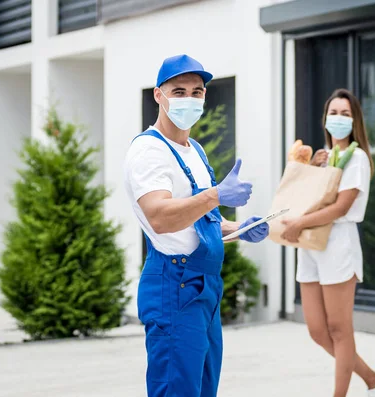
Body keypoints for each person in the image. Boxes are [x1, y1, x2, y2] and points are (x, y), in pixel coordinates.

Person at [123, 54, 269, 397]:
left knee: (203, 388)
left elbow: (198, 220)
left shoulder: (194, 150)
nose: (189, 99)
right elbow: (159, 216)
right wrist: (217, 195)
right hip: (174, 284)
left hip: (204, 287)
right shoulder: (149, 151)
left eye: (197, 91)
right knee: (177, 389)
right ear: (158, 95)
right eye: (179, 91)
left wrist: (239, 227)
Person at [280, 88, 375, 397]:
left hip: (338, 243)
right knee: (318, 331)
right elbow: (311, 199)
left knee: (339, 330)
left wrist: (299, 224)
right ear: (325, 118)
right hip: (311, 244)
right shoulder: (325, 156)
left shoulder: (356, 158)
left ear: (355, 120)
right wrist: (313, 170)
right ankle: (374, 379)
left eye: (346, 114)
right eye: (334, 113)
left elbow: (341, 207)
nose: (339, 118)